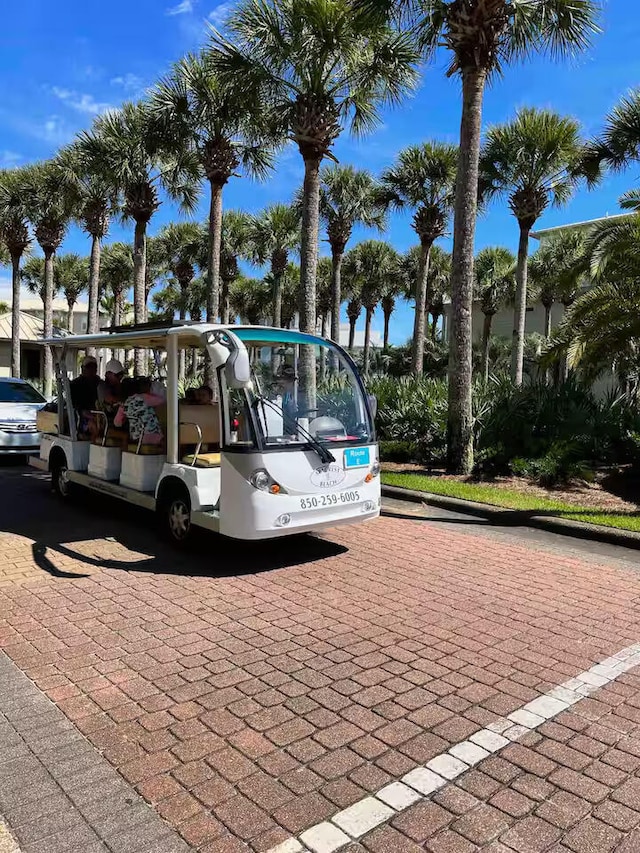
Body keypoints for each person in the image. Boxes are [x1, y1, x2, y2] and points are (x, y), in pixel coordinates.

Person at [115, 377, 165, 448]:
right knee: (169, 440)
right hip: (153, 436)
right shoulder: (145, 398)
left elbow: (117, 423)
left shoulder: (124, 404)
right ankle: (167, 459)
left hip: (136, 438)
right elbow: (162, 400)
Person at [70, 355, 100, 438]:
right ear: (82, 368)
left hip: (98, 414)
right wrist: (87, 414)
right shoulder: (75, 384)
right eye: (89, 367)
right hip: (81, 418)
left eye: (94, 367)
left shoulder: (99, 382)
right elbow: (74, 406)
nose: (92, 370)